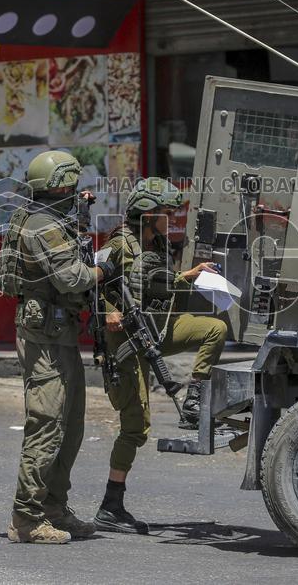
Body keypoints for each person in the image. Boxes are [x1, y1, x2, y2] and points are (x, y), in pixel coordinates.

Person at [93, 177, 226, 534]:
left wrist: (192, 275)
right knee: (136, 427)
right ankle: (111, 505)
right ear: (149, 215)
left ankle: (195, 396)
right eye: (167, 213)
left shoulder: (160, 246)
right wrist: (108, 309)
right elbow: (88, 284)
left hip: (158, 331)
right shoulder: (119, 244)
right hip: (126, 344)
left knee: (215, 329)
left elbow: (159, 285)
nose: (172, 219)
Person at [0, 150, 115, 545]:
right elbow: (71, 277)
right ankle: (26, 519)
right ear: (61, 184)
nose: (77, 189)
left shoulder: (50, 219)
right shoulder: (41, 225)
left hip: (59, 336)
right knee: (46, 425)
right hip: (44, 338)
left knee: (71, 425)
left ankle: (53, 507)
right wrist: (105, 267)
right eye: (72, 183)